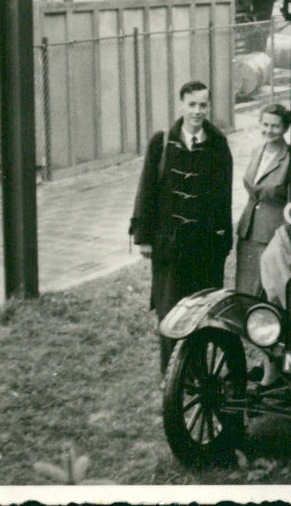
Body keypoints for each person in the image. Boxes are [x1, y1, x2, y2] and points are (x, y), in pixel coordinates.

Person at [129, 81, 233, 376]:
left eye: (203, 105)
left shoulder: (217, 143)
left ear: (209, 107)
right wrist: (143, 237)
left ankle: (198, 371)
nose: (197, 111)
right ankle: (171, 377)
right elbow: (146, 189)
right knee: (170, 311)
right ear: (181, 105)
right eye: (192, 104)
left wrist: (223, 242)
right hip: (169, 245)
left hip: (204, 246)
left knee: (201, 311)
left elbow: (224, 196)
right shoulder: (161, 141)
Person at [235, 104, 291, 296]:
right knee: (244, 286)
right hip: (248, 230)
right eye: (265, 124)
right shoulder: (257, 150)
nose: (269, 130)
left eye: (275, 126)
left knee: (267, 288)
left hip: (271, 232)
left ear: (285, 128)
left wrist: (284, 234)